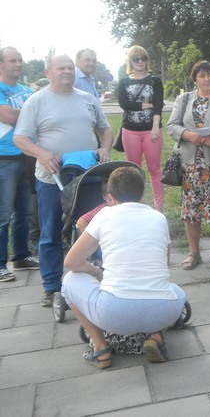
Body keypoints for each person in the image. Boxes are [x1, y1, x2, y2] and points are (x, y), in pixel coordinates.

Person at [61, 166, 186, 369]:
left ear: (110, 198)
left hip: (115, 314)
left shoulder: (104, 215)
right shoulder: (159, 217)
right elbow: (165, 264)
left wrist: (97, 272)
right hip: (164, 311)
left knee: (69, 281)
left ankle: (100, 348)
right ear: (142, 194)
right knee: (175, 290)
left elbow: (71, 262)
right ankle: (156, 336)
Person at [14, 54, 113, 306]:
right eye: (61, 68)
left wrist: (105, 148)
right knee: (51, 233)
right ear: (48, 73)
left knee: (94, 227)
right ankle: (51, 287)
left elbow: (105, 128)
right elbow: (21, 138)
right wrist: (42, 153)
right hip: (52, 180)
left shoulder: (87, 99)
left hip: (88, 177)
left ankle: (100, 275)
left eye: (70, 67)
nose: (67, 71)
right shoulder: (36, 101)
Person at [166, 60, 210, 271]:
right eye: (202, 76)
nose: (207, 79)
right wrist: (188, 135)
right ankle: (193, 252)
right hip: (191, 164)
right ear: (195, 79)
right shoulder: (184, 99)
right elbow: (171, 125)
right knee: (191, 210)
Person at [0, 47, 38, 282]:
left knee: (24, 211)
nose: (18, 64)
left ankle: (21, 256)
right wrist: (29, 113)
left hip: (27, 157)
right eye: (12, 60)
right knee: (3, 214)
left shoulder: (26, 90)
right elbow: (7, 116)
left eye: (20, 60)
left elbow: (39, 113)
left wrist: (23, 112)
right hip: (4, 159)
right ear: (1, 64)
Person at [116, 46, 165, 210]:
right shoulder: (124, 82)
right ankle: (137, 205)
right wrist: (148, 105)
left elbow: (158, 105)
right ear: (130, 61)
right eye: (136, 58)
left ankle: (158, 207)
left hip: (151, 130)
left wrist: (155, 126)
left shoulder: (155, 81)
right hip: (130, 131)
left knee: (155, 169)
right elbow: (124, 104)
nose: (140, 61)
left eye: (143, 58)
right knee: (134, 170)